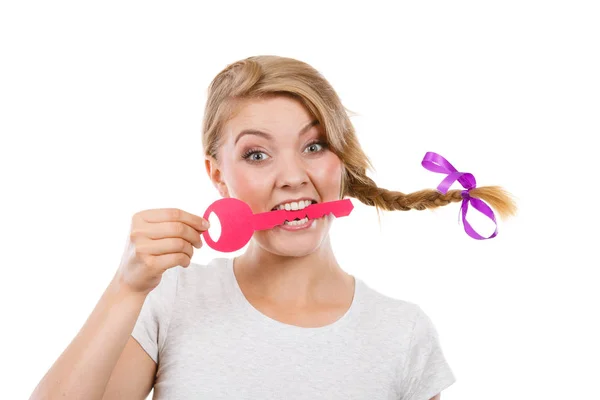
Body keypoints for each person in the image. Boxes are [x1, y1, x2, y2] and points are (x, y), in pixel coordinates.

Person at [29, 55, 516, 400]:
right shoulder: (171, 300)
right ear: (217, 174)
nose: (291, 177)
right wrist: (125, 288)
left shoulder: (403, 332)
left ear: (341, 162)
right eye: (257, 154)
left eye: (314, 146)